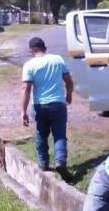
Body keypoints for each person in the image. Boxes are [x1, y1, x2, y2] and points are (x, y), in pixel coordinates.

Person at [20, 37, 73, 182]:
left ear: (31, 50)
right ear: (45, 47)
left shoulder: (29, 65)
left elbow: (26, 88)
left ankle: (43, 163)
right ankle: (60, 162)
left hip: (40, 105)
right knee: (60, 134)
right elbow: (68, 80)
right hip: (58, 104)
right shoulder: (58, 60)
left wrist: (23, 111)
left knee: (41, 134)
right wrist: (68, 94)